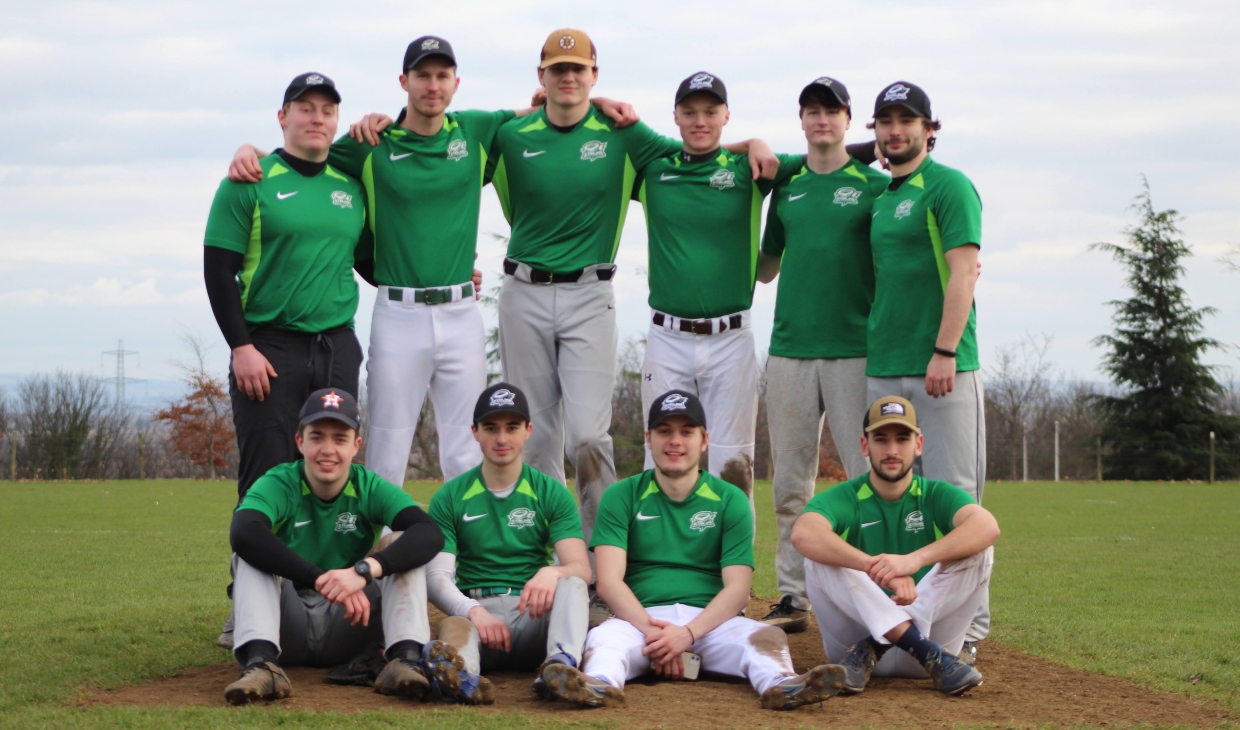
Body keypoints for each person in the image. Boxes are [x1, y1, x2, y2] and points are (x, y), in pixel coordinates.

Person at [227, 38, 639, 489]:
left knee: (465, 450)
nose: (432, 85)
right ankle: (384, 555)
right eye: (422, 75)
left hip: (461, 311)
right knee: (388, 444)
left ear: (456, 84)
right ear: (404, 82)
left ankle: (455, 558)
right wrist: (252, 152)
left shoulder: (477, 130)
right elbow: (306, 154)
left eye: (442, 76)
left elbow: (554, 111)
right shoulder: (372, 142)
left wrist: (599, 101)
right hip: (398, 311)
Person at [490, 29, 780, 546]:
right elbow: (451, 153)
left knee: (586, 436)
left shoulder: (624, 136)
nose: (569, 77)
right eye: (559, 70)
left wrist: (755, 142)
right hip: (523, 290)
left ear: (594, 75)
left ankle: (603, 554)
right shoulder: (512, 133)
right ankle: (553, 554)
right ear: (543, 76)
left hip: (590, 290)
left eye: (579, 69)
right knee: (536, 439)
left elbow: (698, 149)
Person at [537, 390, 846, 710]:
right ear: (648, 438)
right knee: (602, 640)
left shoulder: (730, 499)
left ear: (704, 440)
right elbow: (609, 581)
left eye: (687, 432)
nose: (675, 441)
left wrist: (686, 634)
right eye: (664, 431)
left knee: (768, 639)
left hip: (711, 622)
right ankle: (600, 684)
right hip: (640, 620)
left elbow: (738, 589)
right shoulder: (622, 495)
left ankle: (781, 684)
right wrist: (657, 635)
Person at [753, 77, 889, 633]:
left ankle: (873, 589)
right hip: (789, 352)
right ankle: (793, 596)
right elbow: (765, 267)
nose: (822, 120)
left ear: (848, 120)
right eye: (811, 111)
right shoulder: (788, 188)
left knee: (866, 476)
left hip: (854, 352)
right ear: (802, 121)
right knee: (791, 482)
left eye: (831, 111)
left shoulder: (875, 188)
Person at [633, 71, 804, 512]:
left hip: (730, 338)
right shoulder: (655, 167)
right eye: (689, 112)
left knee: (734, 459)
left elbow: (821, 160)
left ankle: (735, 571)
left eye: (711, 111)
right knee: (663, 452)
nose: (700, 121)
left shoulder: (750, 170)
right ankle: (660, 563)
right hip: (667, 336)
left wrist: (756, 144)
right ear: (675, 116)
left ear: (727, 115)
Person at [864, 81, 988, 659]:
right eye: (885, 121)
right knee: (895, 495)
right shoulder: (882, 195)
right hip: (885, 363)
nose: (896, 130)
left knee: (957, 495)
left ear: (929, 128)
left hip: (942, 365)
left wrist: (945, 350)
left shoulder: (949, 185)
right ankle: (903, 619)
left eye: (906, 120)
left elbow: (965, 272)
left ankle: (969, 632)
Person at [224, 389, 446, 705]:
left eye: (340, 439)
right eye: (317, 437)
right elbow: (244, 532)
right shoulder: (279, 481)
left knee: (400, 543)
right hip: (287, 624)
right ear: (300, 442)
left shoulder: (368, 486)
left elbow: (429, 532)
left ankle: (405, 659)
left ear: (356, 446)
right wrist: (319, 578)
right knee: (249, 554)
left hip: (351, 621)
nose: (328, 449)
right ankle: (261, 665)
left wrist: (364, 570)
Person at [204, 72, 368, 502]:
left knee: (330, 472)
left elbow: (373, 263)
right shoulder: (248, 183)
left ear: (336, 121)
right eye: (305, 108)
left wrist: (459, 276)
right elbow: (218, 272)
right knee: (268, 473)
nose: (317, 118)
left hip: (336, 346)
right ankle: (252, 572)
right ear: (283, 116)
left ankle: (322, 571)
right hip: (268, 351)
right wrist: (242, 347)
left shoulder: (351, 187)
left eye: (327, 111)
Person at [792, 395, 998, 696]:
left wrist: (913, 560)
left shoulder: (934, 494)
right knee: (819, 556)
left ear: (918, 444)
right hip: (854, 656)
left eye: (902, 438)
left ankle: (881, 645)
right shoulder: (848, 496)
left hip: (925, 647)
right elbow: (803, 534)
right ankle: (907, 647)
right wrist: (876, 568)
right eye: (881, 439)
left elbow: (987, 526)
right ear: (865, 446)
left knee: (980, 551)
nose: (891, 450)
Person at [424, 382, 592, 702]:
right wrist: (473, 611)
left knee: (572, 582)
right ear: (475, 431)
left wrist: (551, 573)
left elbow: (581, 568)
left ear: (528, 430)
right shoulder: (450, 496)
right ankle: (463, 678)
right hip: (477, 614)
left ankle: (560, 668)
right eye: (491, 428)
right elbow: (437, 579)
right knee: (455, 625)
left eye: (512, 427)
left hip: (533, 616)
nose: (502, 438)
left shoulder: (551, 492)